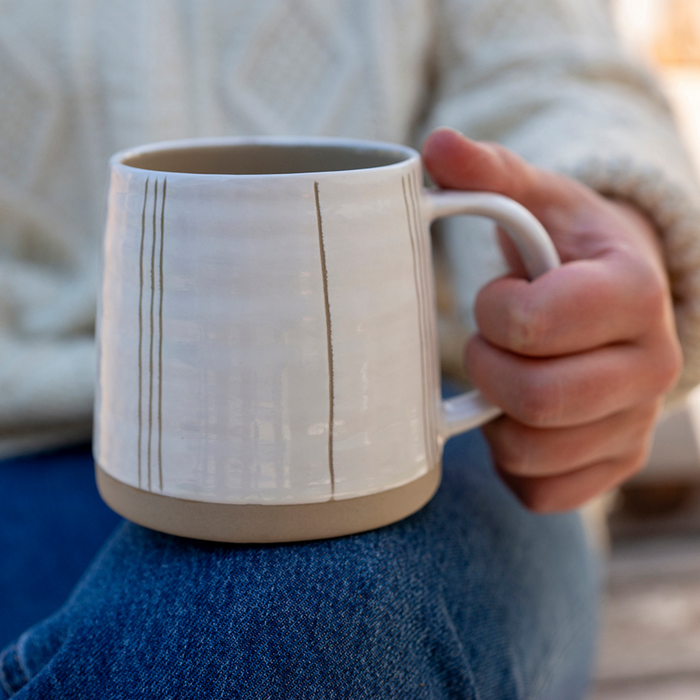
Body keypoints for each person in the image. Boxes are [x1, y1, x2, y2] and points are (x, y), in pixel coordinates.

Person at [0, 1, 698, 697]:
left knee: (308, 621)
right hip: (22, 465)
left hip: (428, 468)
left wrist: (589, 255)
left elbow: (553, 77)